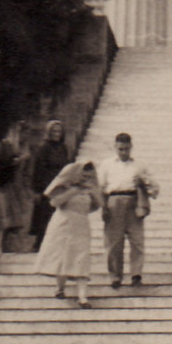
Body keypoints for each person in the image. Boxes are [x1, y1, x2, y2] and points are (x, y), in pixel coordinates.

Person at [36, 161, 103, 308]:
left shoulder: (90, 188)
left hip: (81, 224)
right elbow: (54, 202)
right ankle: (59, 288)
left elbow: (98, 205)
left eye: (89, 176)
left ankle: (82, 297)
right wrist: (74, 190)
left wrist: (93, 192)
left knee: (81, 257)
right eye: (84, 175)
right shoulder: (64, 186)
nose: (86, 178)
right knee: (63, 255)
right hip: (63, 222)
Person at [101, 132, 159, 289]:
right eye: (120, 149)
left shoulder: (139, 165)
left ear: (131, 147)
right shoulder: (107, 165)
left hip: (134, 202)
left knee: (137, 240)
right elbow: (100, 188)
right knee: (114, 242)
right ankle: (115, 276)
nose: (123, 152)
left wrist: (143, 183)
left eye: (126, 149)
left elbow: (155, 188)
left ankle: (136, 275)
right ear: (115, 147)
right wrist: (103, 207)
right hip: (114, 201)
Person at [0, 123, 34, 254]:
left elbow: (28, 169)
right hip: (6, 184)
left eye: (25, 133)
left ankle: (16, 246)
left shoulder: (25, 147)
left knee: (19, 217)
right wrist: (17, 160)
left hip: (19, 185)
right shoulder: (5, 145)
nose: (24, 136)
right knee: (4, 216)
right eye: (22, 132)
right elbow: (0, 164)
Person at [29, 120, 72, 251]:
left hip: (60, 186)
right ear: (49, 132)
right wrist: (38, 189)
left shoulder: (63, 148)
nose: (57, 134)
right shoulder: (44, 148)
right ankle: (40, 245)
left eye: (59, 131)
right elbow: (38, 169)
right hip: (46, 187)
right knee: (45, 217)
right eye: (54, 131)